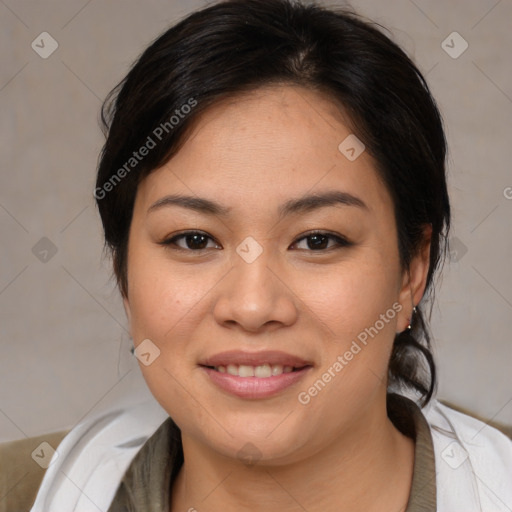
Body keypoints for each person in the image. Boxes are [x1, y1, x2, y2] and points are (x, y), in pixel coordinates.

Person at [30, 0, 512, 511]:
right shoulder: (23, 490)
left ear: (410, 272)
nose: (253, 307)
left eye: (317, 240)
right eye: (194, 240)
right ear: (123, 273)